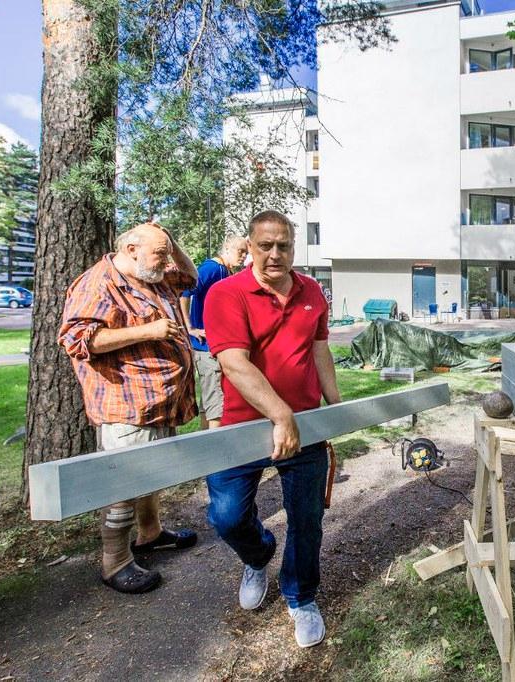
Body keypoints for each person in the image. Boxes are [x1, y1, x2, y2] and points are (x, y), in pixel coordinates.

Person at [201, 210, 341, 649]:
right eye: (266, 245)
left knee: (307, 519)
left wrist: (336, 410)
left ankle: (300, 595)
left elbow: (320, 352)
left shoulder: (312, 290)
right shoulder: (226, 293)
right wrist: (280, 416)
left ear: (294, 247)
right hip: (242, 427)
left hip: (306, 425)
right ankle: (258, 554)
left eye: (284, 245)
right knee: (225, 517)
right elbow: (233, 362)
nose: (275, 254)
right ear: (250, 246)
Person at [59, 221, 201, 594]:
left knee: (148, 475)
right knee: (122, 482)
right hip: (126, 405)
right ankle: (115, 561)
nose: (165, 260)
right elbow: (77, 339)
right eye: (159, 252)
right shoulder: (99, 283)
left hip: (161, 402)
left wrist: (171, 240)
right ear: (131, 248)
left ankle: (150, 534)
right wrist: (147, 331)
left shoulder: (152, 275)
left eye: (166, 252)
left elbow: (189, 277)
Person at [179, 235, 249, 429]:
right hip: (206, 347)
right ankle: (219, 454)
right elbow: (185, 293)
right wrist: (189, 327)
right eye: (240, 251)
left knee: (210, 403)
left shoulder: (226, 271)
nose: (243, 256)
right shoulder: (211, 268)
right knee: (218, 405)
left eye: (246, 253)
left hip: (217, 345)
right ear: (227, 248)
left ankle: (204, 447)